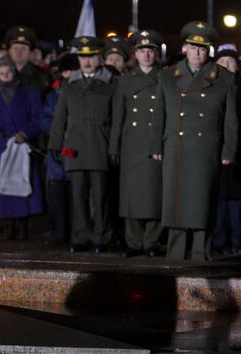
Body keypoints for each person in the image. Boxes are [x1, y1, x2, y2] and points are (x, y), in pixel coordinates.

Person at [149, 21, 238, 260]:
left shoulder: (224, 78)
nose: (198, 53)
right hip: (176, 147)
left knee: (202, 204)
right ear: (185, 47)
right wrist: (155, 145)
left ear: (208, 50)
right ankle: (175, 254)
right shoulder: (168, 76)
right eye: (193, 47)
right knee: (175, 203)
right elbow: (159, 114)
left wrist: (228, 151)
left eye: (203, 48)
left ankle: (201, 254)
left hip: (206, 149)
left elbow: (230, 121)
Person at [48, 36, 117, 254]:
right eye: (82, 57)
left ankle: (102, 237)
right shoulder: (70, 84)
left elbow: (116, 120)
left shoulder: (111, 83)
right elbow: (60, 118)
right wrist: (55, 145)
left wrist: (114, 147)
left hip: (99, 142)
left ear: (99, 57)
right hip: (76, 145)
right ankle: (81, 236)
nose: (86, 61)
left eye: (91, 57)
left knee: (100, 197)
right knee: (78, 197)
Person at [109, 30, 165, 258]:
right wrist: (114, 146)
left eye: (150, 51)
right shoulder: (125, 81)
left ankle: (151, 241)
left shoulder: (165, 78)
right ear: (135, 54)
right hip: (131, 144)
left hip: (155, 143)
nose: (146, 55)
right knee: (131, 196)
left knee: (154, 195)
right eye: (142, 51)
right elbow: (118, 117)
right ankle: (133, 241)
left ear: (155, 54)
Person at [0, 57, 43, 240]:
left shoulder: (29, 94)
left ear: (14, 73)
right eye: (1, 73)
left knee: (23, 183)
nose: (5, 76)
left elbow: (38, 118)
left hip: (22, 145)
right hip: (3, 148)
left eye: (8, 72)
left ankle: (23, 226)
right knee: (5, 187)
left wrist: (26, 133)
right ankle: (9, 226)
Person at [39, 53, 79, 243]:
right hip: (57, 153)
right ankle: (59, 231)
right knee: (56, 196)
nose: (69, 74)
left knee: (76, 196)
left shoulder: (81, 91)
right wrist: (59, 131)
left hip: (76, 151)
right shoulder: (54, 94)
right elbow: (45, 118)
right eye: (66, 71)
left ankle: (75, 232)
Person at [212, 46, 241, 256]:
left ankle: (237, 241)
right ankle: (219, 241)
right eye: (223, 61)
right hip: (216, 150)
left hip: (237, 153)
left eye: (231, 61)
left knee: (236, 201)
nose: (227, 65)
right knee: (219, 200)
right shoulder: (211, 86)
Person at [4, 26, 47, 94]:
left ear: (29, 53)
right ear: (9, 51)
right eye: (15, 48)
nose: (19, 52)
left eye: (23, 48)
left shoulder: (39, 76)